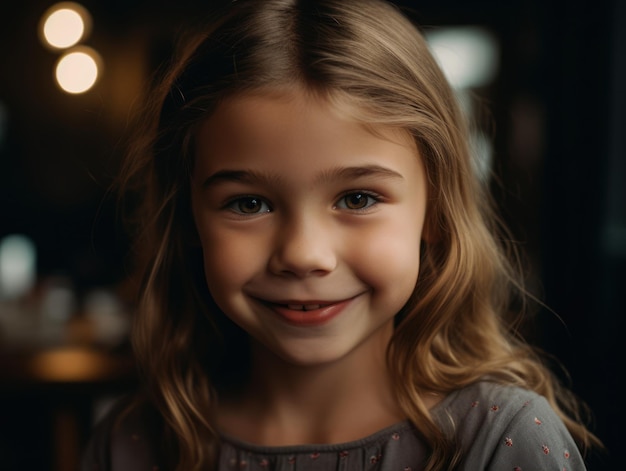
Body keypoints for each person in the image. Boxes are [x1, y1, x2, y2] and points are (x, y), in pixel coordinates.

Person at [82, 0, 602, 469]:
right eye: (249, 203)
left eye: (358, 199)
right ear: (188, 219)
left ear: (436, 213)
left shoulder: (500, 440)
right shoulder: (132, 444)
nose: (304, 255)